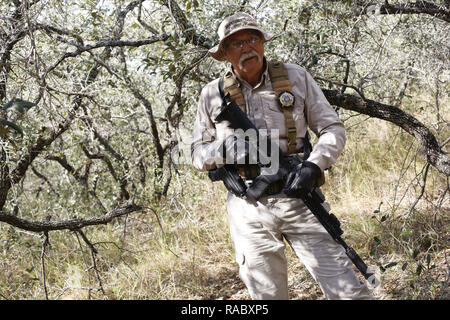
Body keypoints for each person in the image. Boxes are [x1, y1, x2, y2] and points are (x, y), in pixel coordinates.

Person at [191, 12, 373, 300]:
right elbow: (198, 154)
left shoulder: (296, 77)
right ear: (224, 53)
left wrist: (314, 165)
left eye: (252, 39)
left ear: (263, 42)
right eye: (236, 43)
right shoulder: (211, 95)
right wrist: (228, 150)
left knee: (350, 292)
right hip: (247, 209)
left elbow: (332, 128)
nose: (246, 48)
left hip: (299, 197)